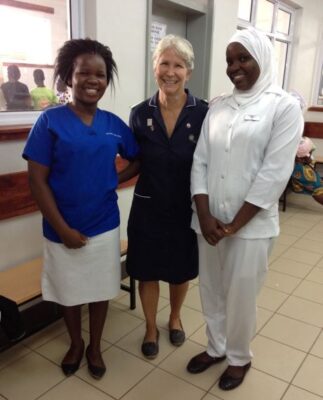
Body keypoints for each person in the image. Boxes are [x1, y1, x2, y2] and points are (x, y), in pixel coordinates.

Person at [187, 27, 303, 391]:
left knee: (240, 294)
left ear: (262, 59)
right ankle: (216, 346)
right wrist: (204, 214)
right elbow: (200, 160)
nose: (234, 66)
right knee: (211, 288)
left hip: (250, 227)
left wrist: (234, 225)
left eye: (243, 58)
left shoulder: (282, 106)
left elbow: (274, 173)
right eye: (230, 60)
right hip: (208, 222)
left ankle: (238, 356)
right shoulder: (219, 105)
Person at [22, 38, 138, 379]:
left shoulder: (114, 124)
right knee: (69, 292)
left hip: (104, 225)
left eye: (100, 74)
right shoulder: (49, 122)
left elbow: (137, 158)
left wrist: (111, 181)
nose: (92, 80)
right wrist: (62, 229)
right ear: (68, 78)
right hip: (62, 228)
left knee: (101, 289)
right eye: (83, 72)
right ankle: (75, 343)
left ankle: (95, 346)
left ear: (106, 80)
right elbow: (36, 182)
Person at [125, 34, 208, 359]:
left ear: (188, 72)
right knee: (146, 270)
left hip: (186, 208)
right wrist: (108, 180)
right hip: (148, 207)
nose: (170, 71)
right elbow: (135, 161)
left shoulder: (203, 112)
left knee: (180, 269)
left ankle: (174, 317)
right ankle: (149, 326)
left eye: (178, 65)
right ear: (154, 67)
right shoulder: (139, 113)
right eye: (164, 64)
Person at [291, 136, 323, 205]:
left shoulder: (302, 148)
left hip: (304, 169)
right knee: (316, 189)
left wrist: (308, 161)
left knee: (318, 184)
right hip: (300, 174)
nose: (310, 154)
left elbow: (310, 160)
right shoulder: (298, 166)